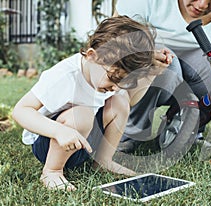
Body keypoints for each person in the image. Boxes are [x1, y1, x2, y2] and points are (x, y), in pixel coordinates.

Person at [12, 16, 166, 191]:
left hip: (84, 143)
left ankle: (103, 161)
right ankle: (52, 171)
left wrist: (152, 72)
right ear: (92, 56)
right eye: (113, 77)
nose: (115, 86)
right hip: (51, 144)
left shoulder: (104, 74)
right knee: (82, 115)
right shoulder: (64, 76)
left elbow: (130, 102)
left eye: (123, 81)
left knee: (121, 100)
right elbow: (20, 110)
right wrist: (59, 131)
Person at [115, 0, 211, 152]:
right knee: (168, 67)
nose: (202, 5)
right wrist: (144, 55)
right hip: (156, 62)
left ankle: (189, 127)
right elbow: (111, 40)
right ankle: (129, 132)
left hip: (196, 68)